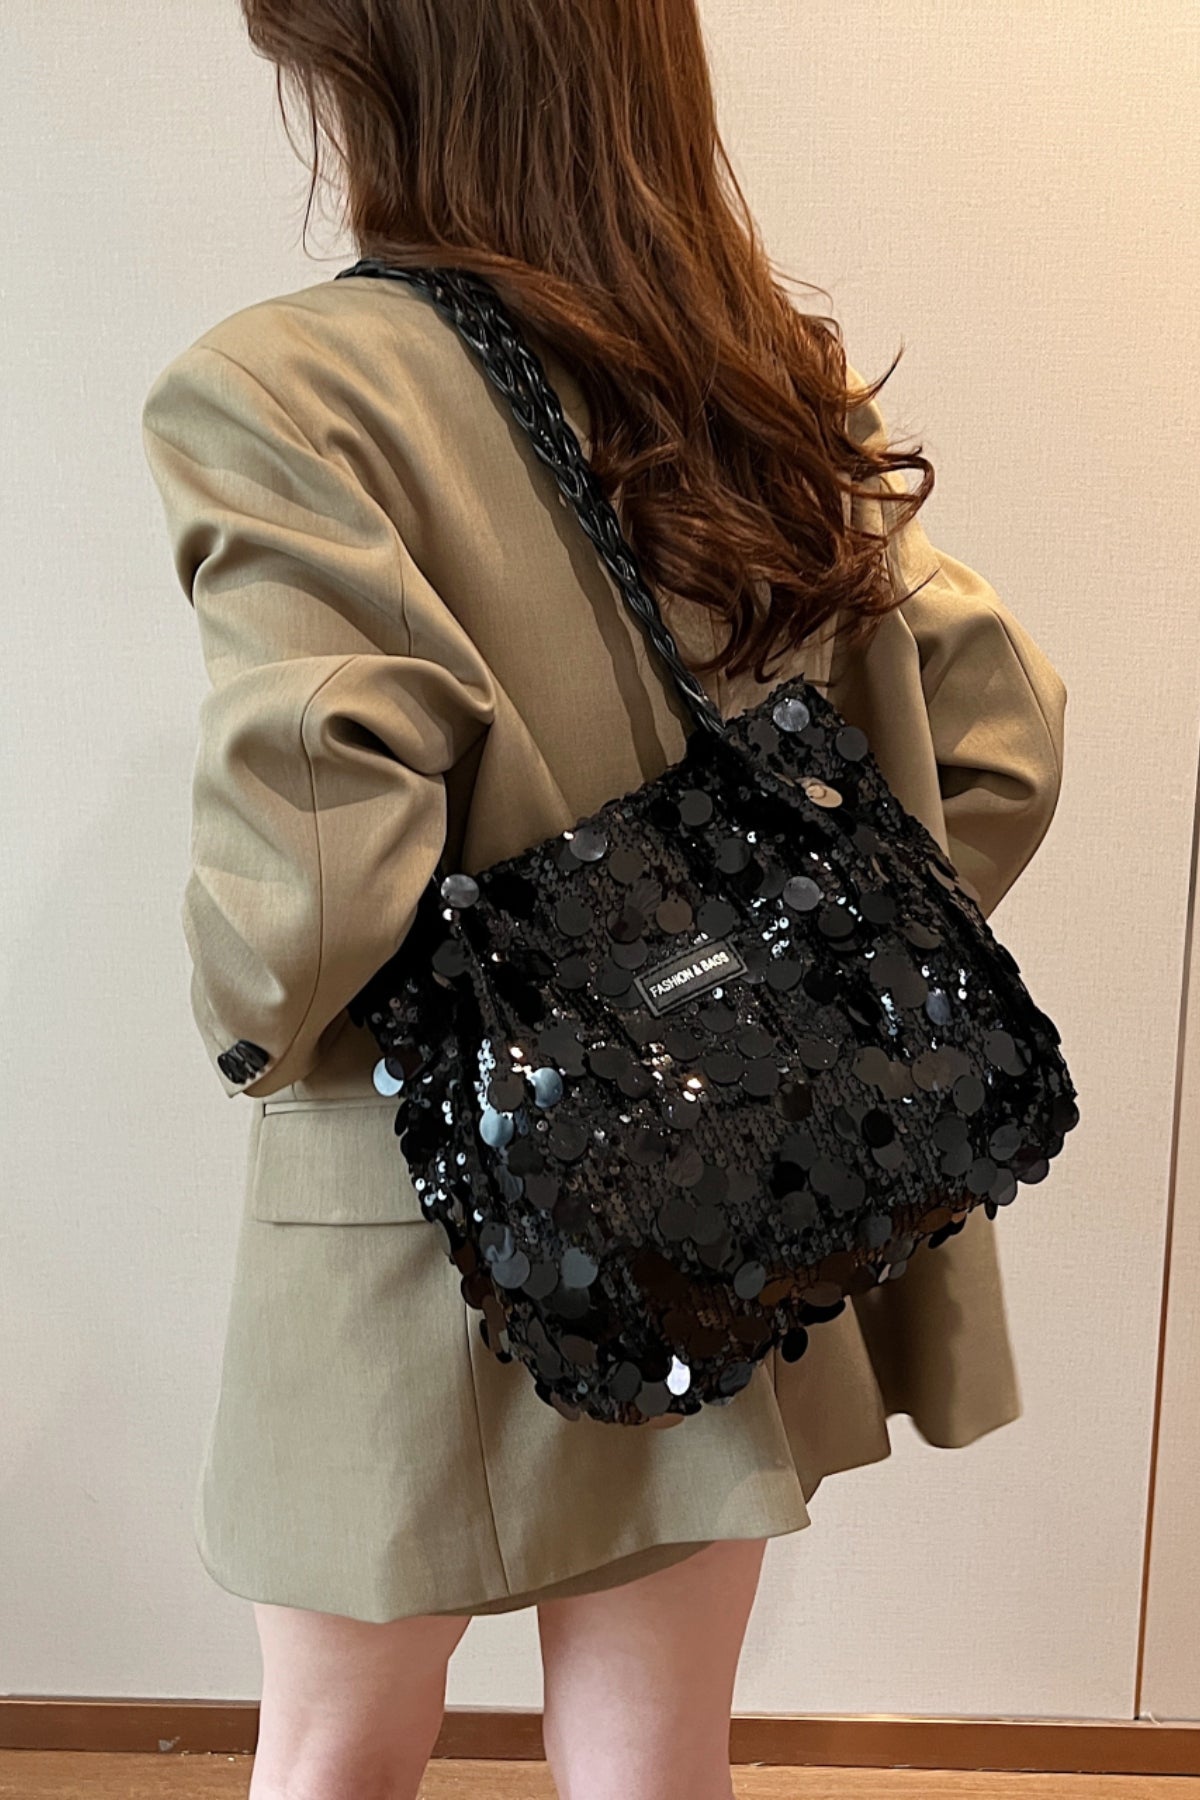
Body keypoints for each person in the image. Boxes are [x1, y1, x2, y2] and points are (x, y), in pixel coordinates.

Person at [140, 4, 1068, 1797]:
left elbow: (317, 851)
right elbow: (999, 728)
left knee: (335, 1749)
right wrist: (796, 971)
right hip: (725, 1184)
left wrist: (247, 1027)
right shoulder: (764, 385)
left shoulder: (283, 390)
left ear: (377, 72)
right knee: (651, 1752)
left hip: (411, 1200)